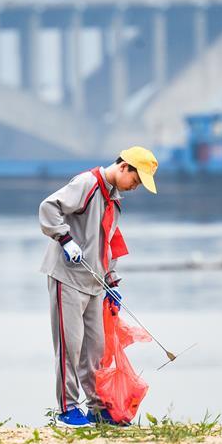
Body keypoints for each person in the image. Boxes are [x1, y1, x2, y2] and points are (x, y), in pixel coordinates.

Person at [39, 147, 158, 428]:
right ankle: (68, 409)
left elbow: (109, 242)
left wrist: (112, 281)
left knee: (96, 349)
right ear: (124, 167)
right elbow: (49, 207)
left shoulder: (113, 200)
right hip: (67, 277)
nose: (135, 187)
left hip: (94, 282)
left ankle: (96, 408)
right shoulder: (88, 184)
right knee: (70, 345)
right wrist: (64, 239)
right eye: (136, 180)